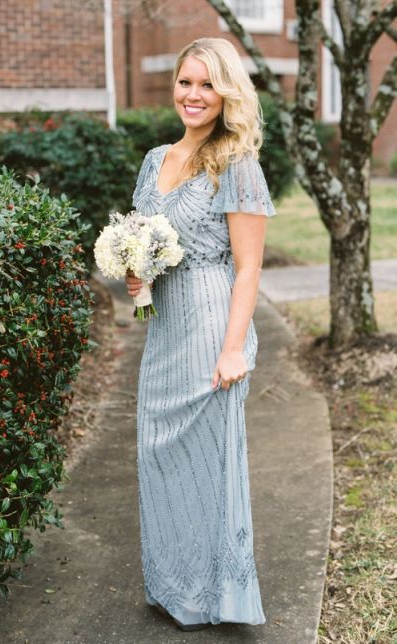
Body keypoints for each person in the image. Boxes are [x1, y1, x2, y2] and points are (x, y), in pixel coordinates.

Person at [125, 37, 276, 632]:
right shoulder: (154, 159)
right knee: (158, 456)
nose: (193, 95)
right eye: (186, 82)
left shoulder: (237, 163)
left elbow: (249, 267)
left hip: (215, 324)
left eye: (207, 85)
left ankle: (217, 595)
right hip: (164, 329)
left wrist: (235, 347)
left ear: (226, 92)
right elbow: (145, 250)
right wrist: (137, 282)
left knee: (209, 463)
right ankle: (173, 585)